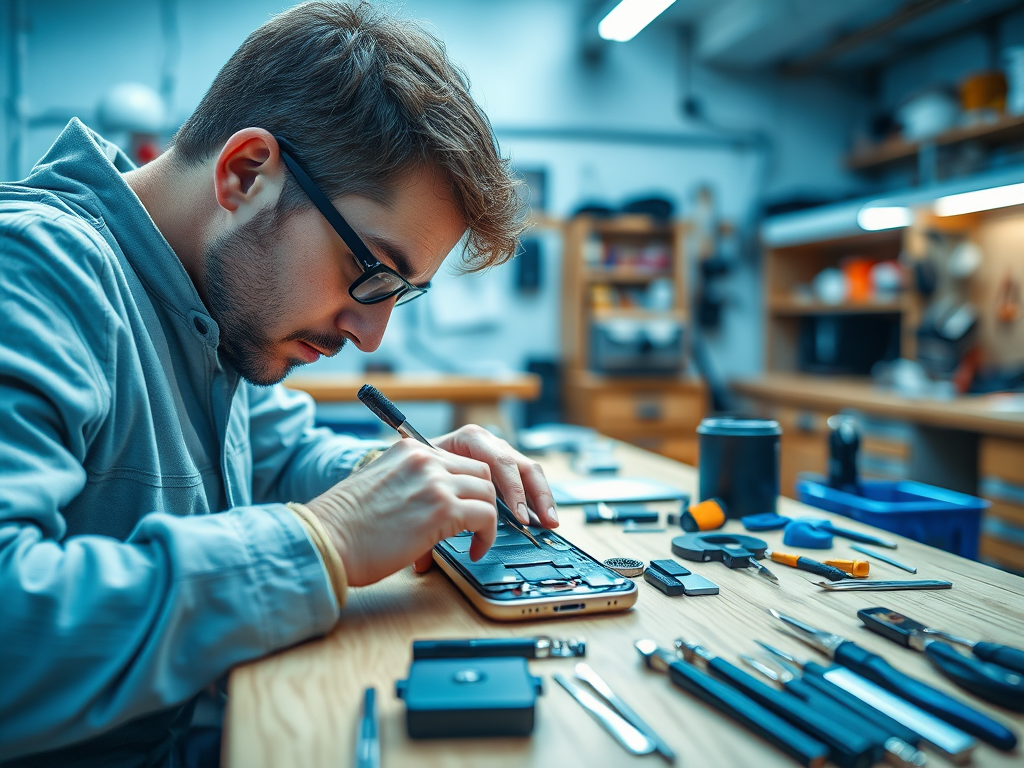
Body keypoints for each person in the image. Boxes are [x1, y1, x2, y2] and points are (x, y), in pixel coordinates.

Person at [0, 2, 558, 765]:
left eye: (403, 295)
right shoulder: (32, 273)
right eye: (371, 275)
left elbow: (278, 454)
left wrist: (403, 479)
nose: (371, 336)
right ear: (246, 173)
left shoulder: (201, 307)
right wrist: (323, 542)